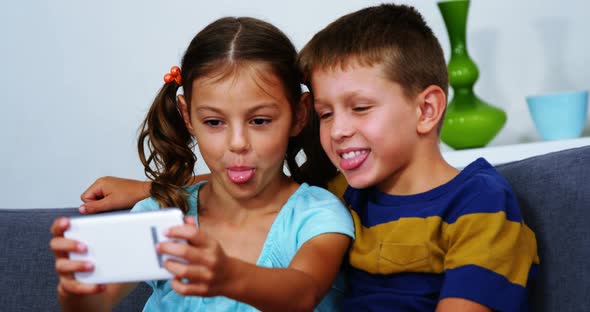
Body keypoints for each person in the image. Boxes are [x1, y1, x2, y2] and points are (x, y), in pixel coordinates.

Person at [80, 4, 539, 311]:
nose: (337, 130)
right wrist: (150, 190)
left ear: (426, 109)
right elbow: (251, 179)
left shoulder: (479, 203)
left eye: (359, 108)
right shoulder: (346, 191)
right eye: (325, 113)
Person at [50, 16, 354, 312]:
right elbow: (96, 303)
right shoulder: (160, 215)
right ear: (187, 116)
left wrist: (228, 276)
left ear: (299, 114)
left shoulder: (318, 215)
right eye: (214, 121)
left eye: (260, 120)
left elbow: (303, 293)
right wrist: (78, 294)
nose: (237, 142)